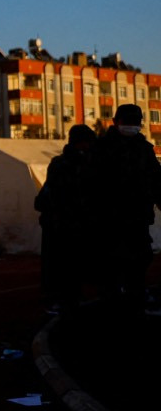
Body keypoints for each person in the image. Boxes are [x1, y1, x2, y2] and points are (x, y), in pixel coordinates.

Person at [87, 104, 161, 314]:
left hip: (136, 221)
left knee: (136, 269)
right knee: (111, 270)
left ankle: (131, 308)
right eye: (127, 122)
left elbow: (156, 180)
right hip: (109, 222)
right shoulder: (101, 148)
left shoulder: (143, 149)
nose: (131, 127)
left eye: (134, 123)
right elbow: (89, 185)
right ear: (115, 122)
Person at [34, 124, 96, 314]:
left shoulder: (63, 163)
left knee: (63, 265)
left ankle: (65, 296)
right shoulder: (70, 165)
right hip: (65, 223)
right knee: (65, 265)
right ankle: (63, 298)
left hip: (62, 223)